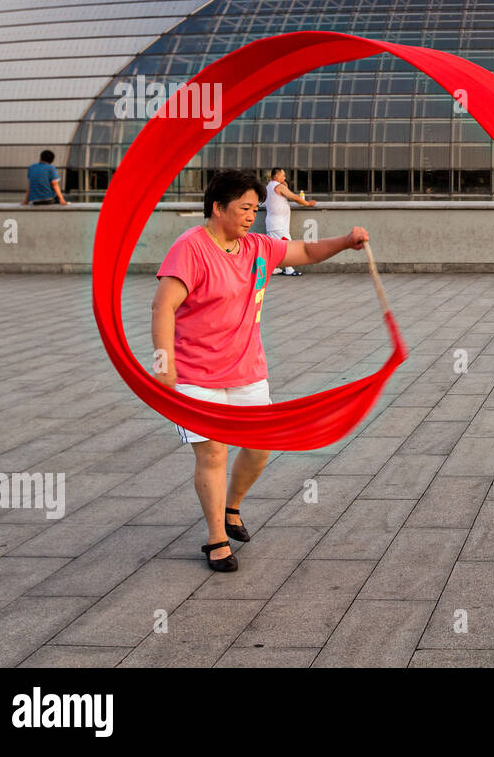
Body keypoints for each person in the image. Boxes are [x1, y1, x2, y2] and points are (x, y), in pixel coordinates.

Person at [151, 168, 370, 572]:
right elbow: (163, 305)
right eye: (245, 208)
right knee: (214, 452)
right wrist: (163, 364)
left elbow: (303, 252)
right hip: (196, 375)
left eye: (256, 208)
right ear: (218, 208)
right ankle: (216, 538)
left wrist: (344, 241)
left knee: (259, 446)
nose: (252, 216)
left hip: (248, 369)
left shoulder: (255, 246)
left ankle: (231, 507)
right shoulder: (191, 248)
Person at [264, 167, 316, 276]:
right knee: (288, 246)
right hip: (279, 224)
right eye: (283, 175)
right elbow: (294, 197)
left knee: (274, 248)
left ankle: (273, 268)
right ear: (277, 176)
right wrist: (308, 203)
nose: (285, 177)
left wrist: (284, 185)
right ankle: (289, 269)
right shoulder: (278, 186)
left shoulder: (269, 186)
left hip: (272, 222)